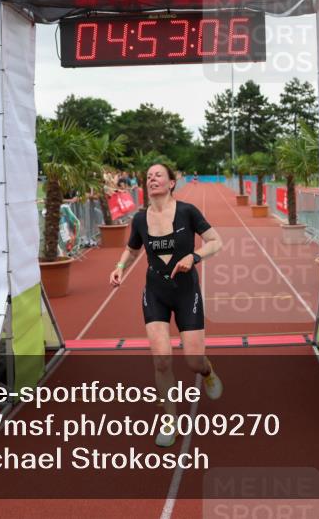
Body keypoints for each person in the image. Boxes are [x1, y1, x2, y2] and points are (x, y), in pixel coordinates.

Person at [109, 163, 224, 448]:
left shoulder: (188, 212)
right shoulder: (139, 219)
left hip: (186, 292)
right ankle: (170, 420)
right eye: (148, 176)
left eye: (158, 175)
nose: (152, 178)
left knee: (193, 360)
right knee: (161, 359)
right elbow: (133, 249)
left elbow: (215, 242)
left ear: (172, 183)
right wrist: (120, 266)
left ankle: (208, 372)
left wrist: (194, 257)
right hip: (156, 293)